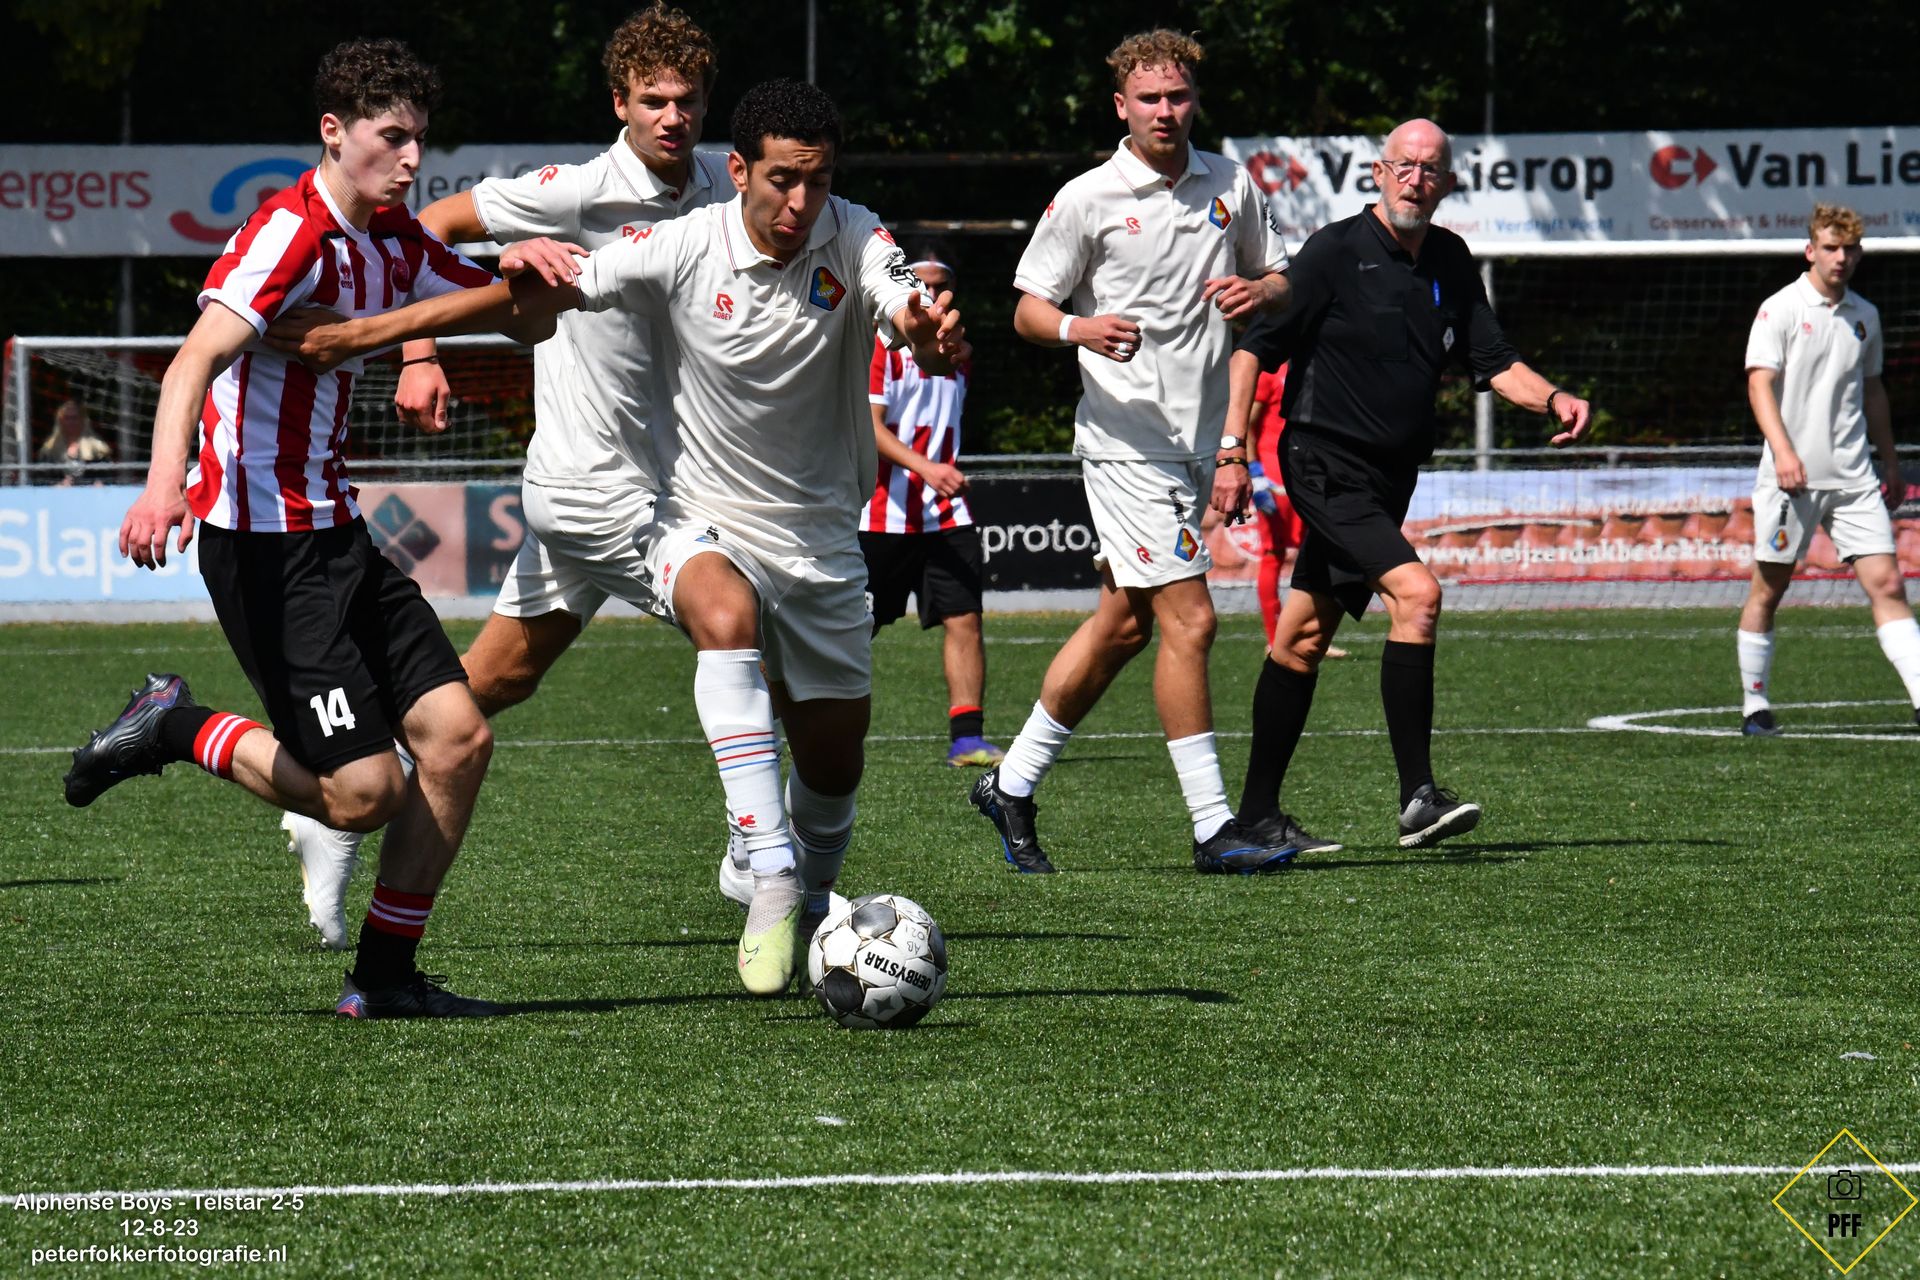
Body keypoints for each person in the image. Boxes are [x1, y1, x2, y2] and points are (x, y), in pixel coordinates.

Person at [265, 79, 966, 996]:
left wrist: (925, 332)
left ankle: (805, 893)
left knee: (828, 759)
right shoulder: (672, 238)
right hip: (681, 512)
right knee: (724, 615)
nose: (802, 202)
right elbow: (520, 294)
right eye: (784, 180)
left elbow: (902, 299)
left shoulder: (855, 231)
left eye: (819, 181)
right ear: (740, 171)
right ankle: (768, 866)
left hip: (817, 535)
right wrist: (377, 337)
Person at [62, 39, 554, 1018]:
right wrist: (162, 489)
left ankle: (383, 979)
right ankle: (175, 723)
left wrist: (524, 270)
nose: (410, 160)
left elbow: (517, 315)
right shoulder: (289, 234)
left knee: (458, 740)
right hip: (262, 549)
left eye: (420, 140)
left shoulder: (392, 237)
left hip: (337, 534)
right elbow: (193, 362)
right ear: (334, 131)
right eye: (391, 137)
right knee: (364, 794)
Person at [278, 3, 729, 951]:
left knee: (492, 683)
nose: (673, 116)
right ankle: (760, 853)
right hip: (595, 487)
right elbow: (432, 221)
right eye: (653, 99)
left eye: (687, 99)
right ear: (620, 103)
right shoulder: (579, 188)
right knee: (741, 620)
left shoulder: (720, 193)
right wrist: (418, 353)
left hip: (664, 477)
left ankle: (335, 805)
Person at [970, 29, 1297, 877]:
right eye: (1149, 98)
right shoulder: (1087, 197)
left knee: (1121, 626)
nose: (1165, 110)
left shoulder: (1231, 183)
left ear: (1195, 101)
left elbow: (1278, 286)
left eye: (1178, 95)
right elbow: (1027, 308)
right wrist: (1079, 328)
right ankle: (1214, 827)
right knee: (1192, 620)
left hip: (1199, 446)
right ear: (1121, 106)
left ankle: (1011, 783)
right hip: (1124, 446)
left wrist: (1259, 291)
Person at [1229, 118, 1591, 852]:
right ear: (1378, 173)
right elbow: (1255, 350)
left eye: (1429, 170)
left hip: (1390, 477)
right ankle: (1418, 797)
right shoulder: (1334, 251)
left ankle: (1257, 816)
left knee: (1301, 638)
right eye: (1403, 165)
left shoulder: (1451, 259)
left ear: (1448, 183)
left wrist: (1554, 397)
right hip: (1323, 462)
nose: (1414, 180)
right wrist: (1232, 451)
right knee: (1419, 596)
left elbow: (1495, 361)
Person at [1737, 204, 1920, 734]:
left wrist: (1890, 460)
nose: (1841, 257)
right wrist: (1784, 452)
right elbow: (1758, 384)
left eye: (1850, 249)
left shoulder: (1865, 315)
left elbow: (1873, 389)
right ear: (1810, 250)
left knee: (1888, 583)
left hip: (1854, 477)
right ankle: (1755, 705)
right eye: (1831, 247)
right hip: (1790, 479)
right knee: (1769, 589)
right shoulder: (1781, 308)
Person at [861, 242, 1004, 768]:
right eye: (922, 284)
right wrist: (927, 468)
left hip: (946, 514)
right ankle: (783, 708)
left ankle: (967, 738)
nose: (932, 293)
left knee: (965, 619)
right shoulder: (881, 348)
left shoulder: (959, 354)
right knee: (852, 626)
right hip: (881, 514)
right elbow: (869, 429)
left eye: (942, 285)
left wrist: (935, 474)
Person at [1245, 364, 1346, 658]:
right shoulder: (1270, 371)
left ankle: (1310, 637)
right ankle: (1274, 639)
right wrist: (1255, 472)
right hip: (1274, 480)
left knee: (1317, 553)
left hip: (1309, 475)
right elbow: (1248, 425)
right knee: (1273, 554)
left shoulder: (1319, 366)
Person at [37, 400, 114, 485]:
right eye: (67, 418)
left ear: (82, 420)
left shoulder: (98, 448)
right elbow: (41, 480)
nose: (71, 422)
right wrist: (57, 486)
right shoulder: (49, 450)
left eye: (74, 418)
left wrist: (100, 485)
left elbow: (108, 478)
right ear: (60, 421)